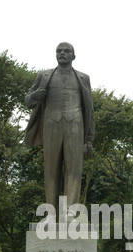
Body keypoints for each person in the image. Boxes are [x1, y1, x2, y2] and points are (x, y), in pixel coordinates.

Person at [24, 42, 95, 219]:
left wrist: (89, 140)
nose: (62, 53)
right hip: (51, 124)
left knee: (74, 169)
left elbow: (90, 110)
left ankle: (71, 211)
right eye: (59, 51)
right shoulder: (44, 75)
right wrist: (34, 96)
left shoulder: (83, 78)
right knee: (51, 169)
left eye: (66, 51)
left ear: (73, 56)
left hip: (76, 125)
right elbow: (28, 100)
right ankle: (51, 212)